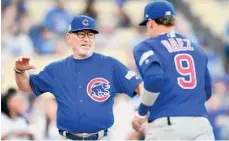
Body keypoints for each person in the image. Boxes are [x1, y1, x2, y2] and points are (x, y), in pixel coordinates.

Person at [14, 15, 142, 140]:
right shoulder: (56, 69)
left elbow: (139, 86)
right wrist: (19, 71)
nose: (86, 39)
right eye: (81, 34)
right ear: (69, 37)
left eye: (90, 35)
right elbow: (25, 86)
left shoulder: (111, 65)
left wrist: (143, 112)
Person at [131, 0, 215, 140]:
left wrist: (141, 113)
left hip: (167, 124)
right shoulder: (197, 48)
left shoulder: (146, 46)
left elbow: (154, 78)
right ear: (173, 22)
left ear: (150, 23)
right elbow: (207, 91)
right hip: (201, 124)